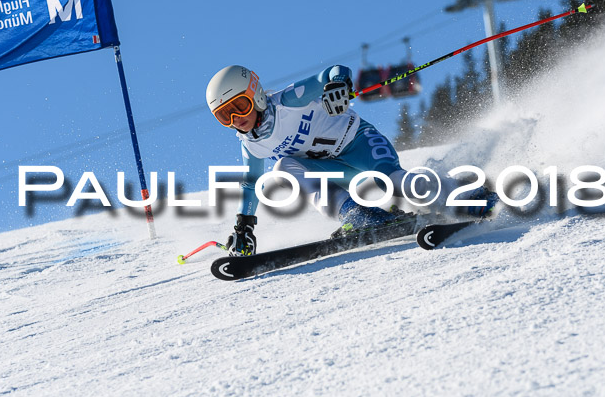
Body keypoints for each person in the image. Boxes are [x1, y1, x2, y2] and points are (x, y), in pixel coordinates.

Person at [206, 65, 497, 256]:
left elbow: (332, 73)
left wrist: (337, 85)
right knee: (284, 168)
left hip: (360, 145)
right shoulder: (252, 146)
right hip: (335, 171)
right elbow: (251, 185)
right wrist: (244, 227)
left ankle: (464, 196)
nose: (237, 119)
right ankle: (357, 215)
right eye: (225, 116)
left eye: (240, 106)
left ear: (255, 94)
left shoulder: (288, 102)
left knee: (395, 182)